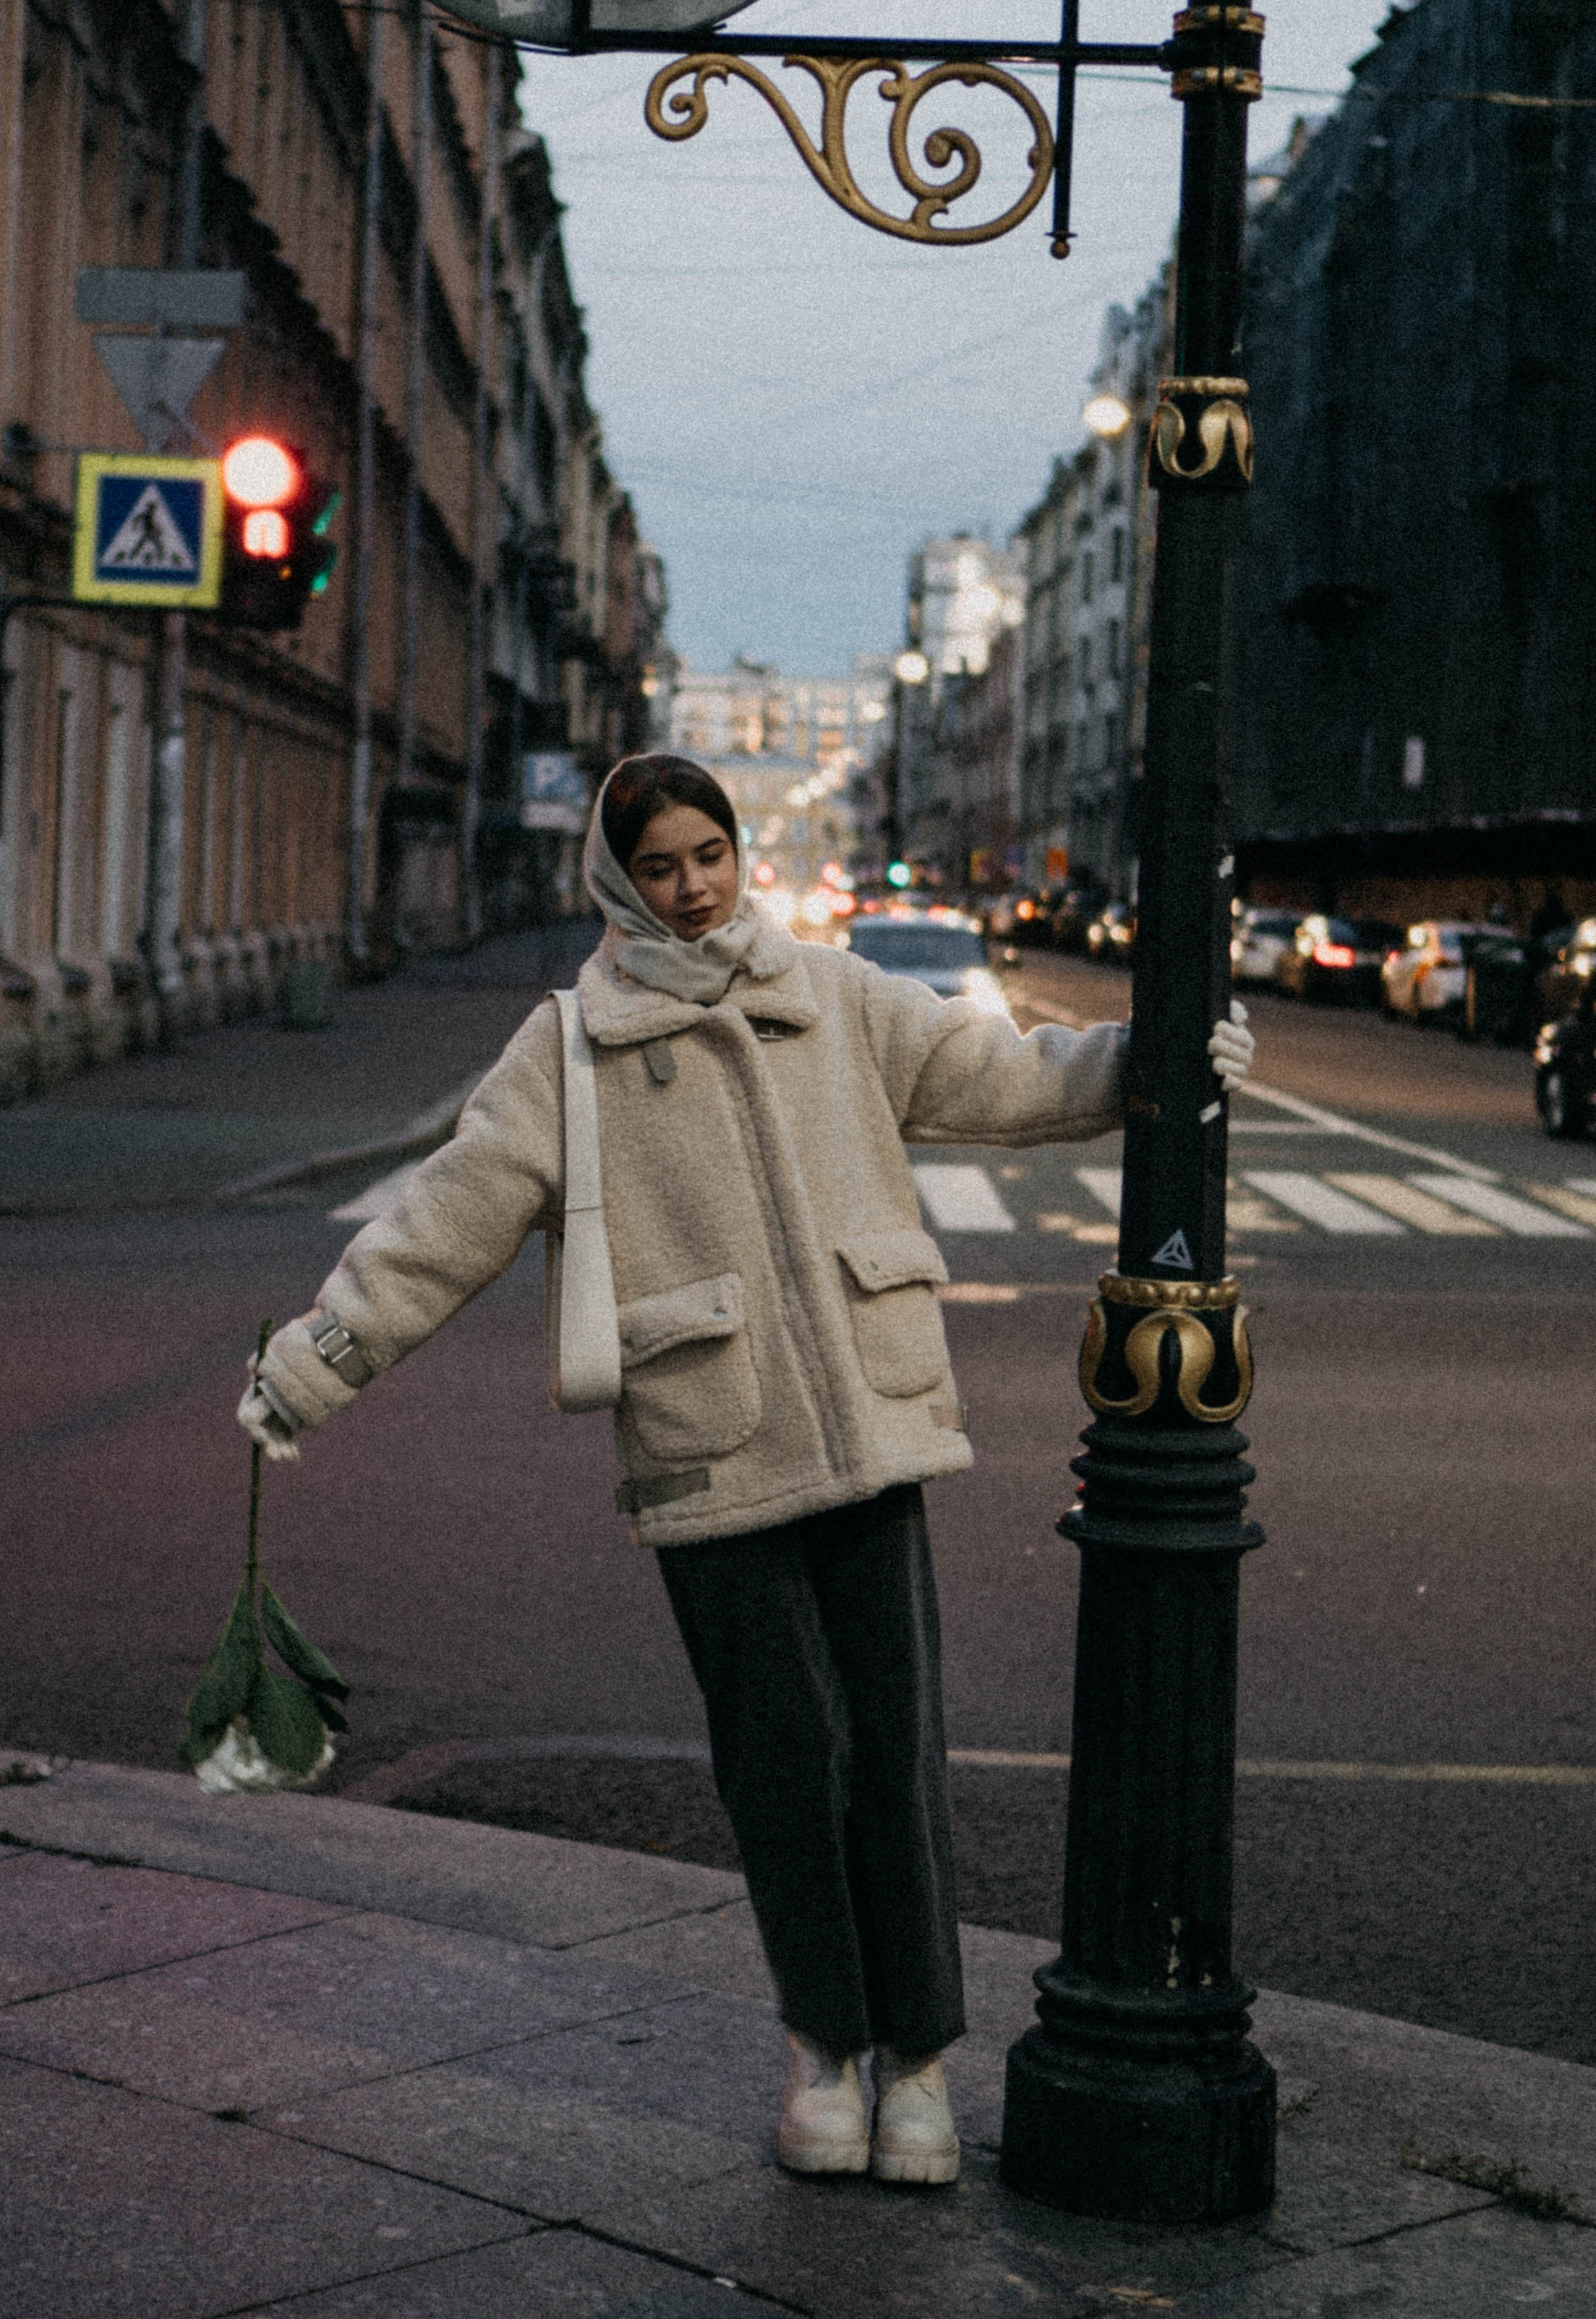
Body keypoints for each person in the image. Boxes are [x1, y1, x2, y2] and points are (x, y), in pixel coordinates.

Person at [239, 753, 1255, 2188]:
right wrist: (312, 1364)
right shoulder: (571, 1047)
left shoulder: (831, 993)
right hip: (708, 1438)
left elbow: (1001, 1078)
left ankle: (915, 2066)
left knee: (893, 1760)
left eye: (709, 852)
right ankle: (821, 2052)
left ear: (736, 850)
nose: (694, 886)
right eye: (659, 867)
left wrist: (1150, 1055)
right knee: (787, 1763)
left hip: (868, 1419)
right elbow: (445, 1221)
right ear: (616, 882)